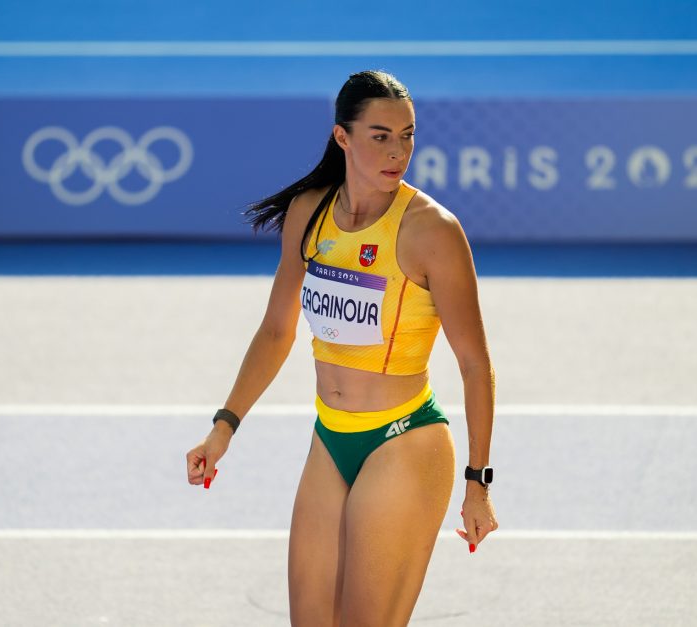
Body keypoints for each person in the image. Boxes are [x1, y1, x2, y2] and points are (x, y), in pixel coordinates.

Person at [185, 70, 498, 626]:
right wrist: (224, 425)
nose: (398, 150)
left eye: (407, 135)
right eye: (380, 135)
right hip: (330, 440)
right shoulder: (310, 213)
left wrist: (478, 484)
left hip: (404, 442)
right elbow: (277, 330)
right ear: (342, 138)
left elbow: (475, 363)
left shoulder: (432, 230)